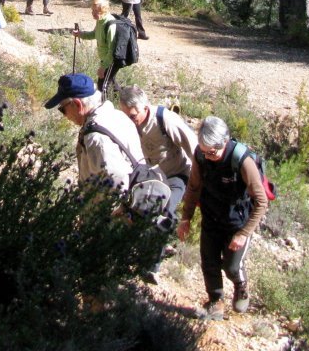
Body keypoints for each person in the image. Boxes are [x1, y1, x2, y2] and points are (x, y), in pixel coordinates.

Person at [177, 116, 268, 320]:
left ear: (224, 142)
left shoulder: (242, 161)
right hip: (211, 216)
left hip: (238, 222)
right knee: (208, 261)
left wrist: (244, 234)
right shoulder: (201, 155)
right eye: (204, 151)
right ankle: (215, 301)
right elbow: (193, 187)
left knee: (231, 266)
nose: (208, 156)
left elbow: (262, 202)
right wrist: (186, 218)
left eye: (213, 152)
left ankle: (241, 285)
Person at [119, 85, 198, 282]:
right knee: (133, 212)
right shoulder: (128, 124)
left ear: (145, 108)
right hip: (149, 176)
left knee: (165, 212)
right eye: (126, 115)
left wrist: (201, 183)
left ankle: (151, 267)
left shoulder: (165, 120)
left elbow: (194, 148)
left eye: (133, 115)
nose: (130, 119)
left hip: (177, 174)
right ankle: (131, 254)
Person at [44, 73, 142, 193]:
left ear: (77, 105)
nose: (65, 116)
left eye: (62, 109)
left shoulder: (96, 137)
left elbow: (117, 181)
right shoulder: (118, 116)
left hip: (119, 208)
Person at [72, 0, 120, 93]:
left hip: (111, 60)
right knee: (111, 83)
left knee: (102, 86)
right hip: (105, 58)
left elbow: (112, 50)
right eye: (92, 10)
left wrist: (103, 67)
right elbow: (94, 34)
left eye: (96, 11)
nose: (93, 13)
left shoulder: (110, 25)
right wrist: (80, 34)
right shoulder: (100, 21)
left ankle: (104, 105)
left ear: (104, 11)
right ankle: (120, 101)